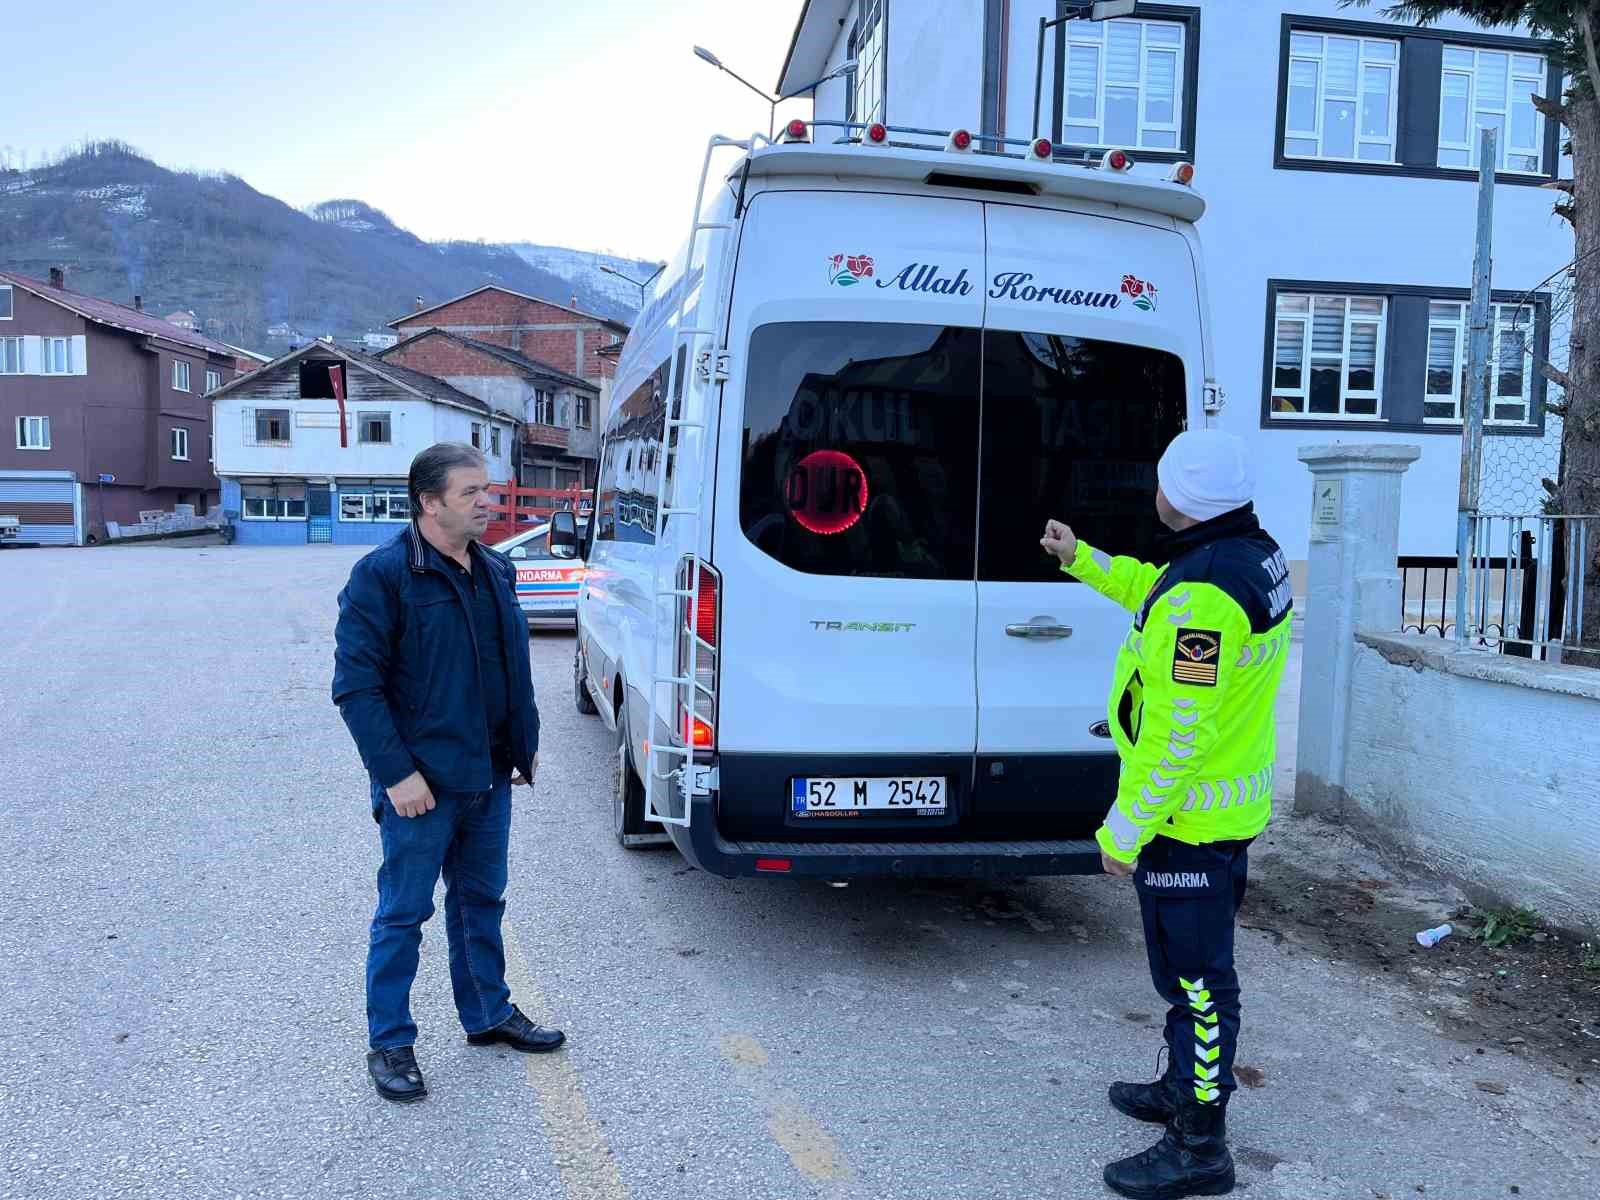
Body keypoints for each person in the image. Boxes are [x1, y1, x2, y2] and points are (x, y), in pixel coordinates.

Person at [1040, 429, 1293, 1199]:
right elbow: (1157, 591)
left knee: (1200, 986)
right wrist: (1082, 558)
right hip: (1217, 810)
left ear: (1179, 499)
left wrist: (1123, 832)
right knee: (1186, 974)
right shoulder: (1243, 553)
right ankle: (1183, 1089)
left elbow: (1179, 736)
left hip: (1189, 822)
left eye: (1163, 482)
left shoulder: (1206, 598)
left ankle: (1201, 1146)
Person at [332, 442, 565, 1105]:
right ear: (429, 502)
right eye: (471, 493)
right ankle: (390, 1042)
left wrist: (523, 743)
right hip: (422, 786)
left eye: (487, 490)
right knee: (404, 914)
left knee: (481, 902)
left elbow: (511, 666)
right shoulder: (383, 576)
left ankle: (487, 1012)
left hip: (488, 775)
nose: (487, 502)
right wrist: (396, 775)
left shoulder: (496, 569)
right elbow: (356, 688)